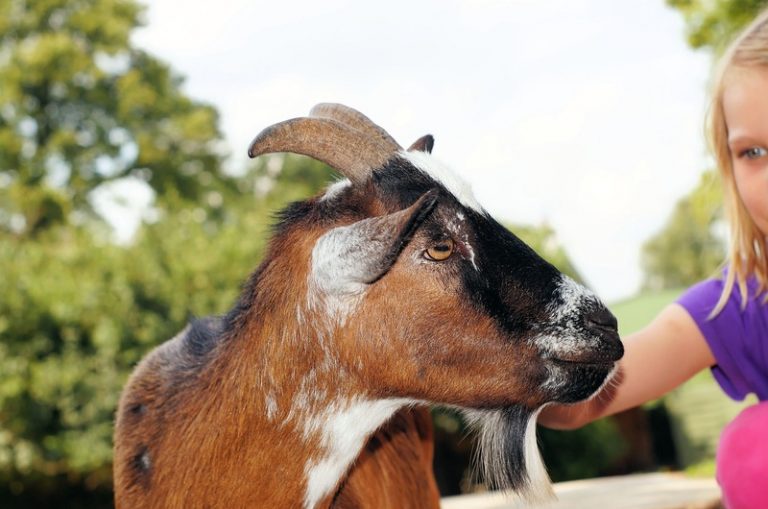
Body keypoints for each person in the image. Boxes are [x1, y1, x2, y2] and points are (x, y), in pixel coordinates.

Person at [539, 7, 768, 509]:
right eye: (753, 153)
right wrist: (478, 356)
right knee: (754, 454)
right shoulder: (738, 304)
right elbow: (585, 399)